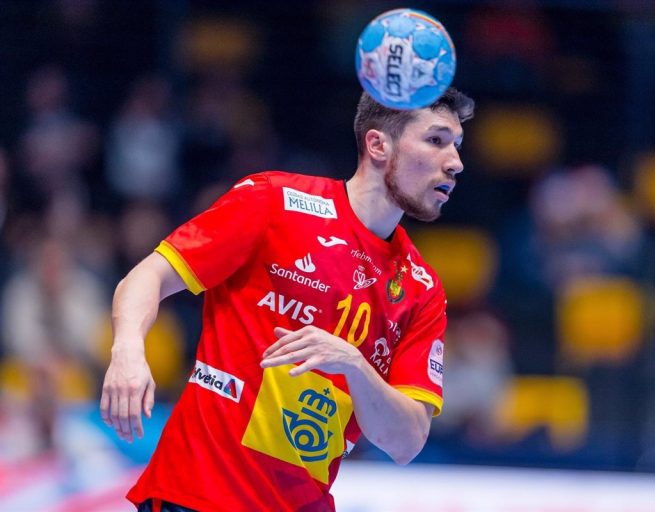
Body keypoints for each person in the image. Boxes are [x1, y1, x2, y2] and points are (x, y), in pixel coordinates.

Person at [99, 87, 475, 511]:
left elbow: (406, 442)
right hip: (194, 494)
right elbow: (149, 274)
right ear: (377, 145)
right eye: (437, 140)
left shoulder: (422, 288)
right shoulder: (274, 201)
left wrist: (354, 364)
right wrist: (128, 350)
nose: (455, 162)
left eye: (457, 146)